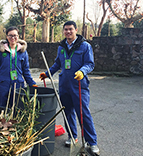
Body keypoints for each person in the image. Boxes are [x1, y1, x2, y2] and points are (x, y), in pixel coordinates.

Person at [39, 21, 100, 155]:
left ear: (76, 30)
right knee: (68, 112)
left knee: (84, 114)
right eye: (66, 29)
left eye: (70, 29)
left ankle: (92, 142)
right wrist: (48, 74)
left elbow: (90, 64)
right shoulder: (61, 47)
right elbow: (57, 63)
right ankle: (72, 136)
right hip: (64, 85)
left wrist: (82, 71)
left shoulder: (85, 46)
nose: (68, 32)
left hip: (79, 85)